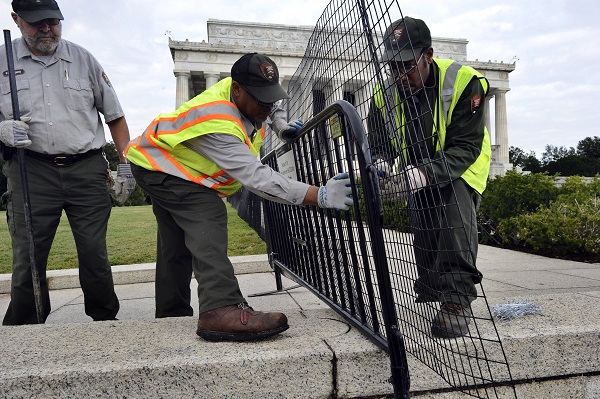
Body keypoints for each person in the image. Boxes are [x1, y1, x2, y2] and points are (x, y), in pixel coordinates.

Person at [125, 52, 353, 342]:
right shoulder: (218, 124)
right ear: (237, 90)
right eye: (261, 99)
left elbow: (275, 103)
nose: (267, 105)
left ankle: (171, 314)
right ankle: (220, 308)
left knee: (176, 242)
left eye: (270, 96)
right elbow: (258, 179)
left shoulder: (248, 94)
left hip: (155, 161)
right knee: (207, 214)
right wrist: (317, 194)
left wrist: (280, 125)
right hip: (164, 168)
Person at [0, 0, 134, 324]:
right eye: (37, 22)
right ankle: (26, 327)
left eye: (53, 21)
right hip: (30, 169)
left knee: (94, 254)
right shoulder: (2, 62)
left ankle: (105, 320)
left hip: (86, 168)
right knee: (28, 259)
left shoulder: (83, 59)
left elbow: (115, 116)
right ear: (17, 19)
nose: (47, 29)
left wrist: (127, 164)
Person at [367, 17, 491, 338]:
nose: (399, 75)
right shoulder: (383, 97)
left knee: (453, 212)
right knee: (424, 229)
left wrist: (417, 175)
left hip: (463, 163)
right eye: (393, 67)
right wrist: (381, 171)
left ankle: (457, 299)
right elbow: (379, 147)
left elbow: (465, 146)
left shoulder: (465, 82)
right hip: (418, 167)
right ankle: (434, 288)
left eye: (407, 65)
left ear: (429, 55)